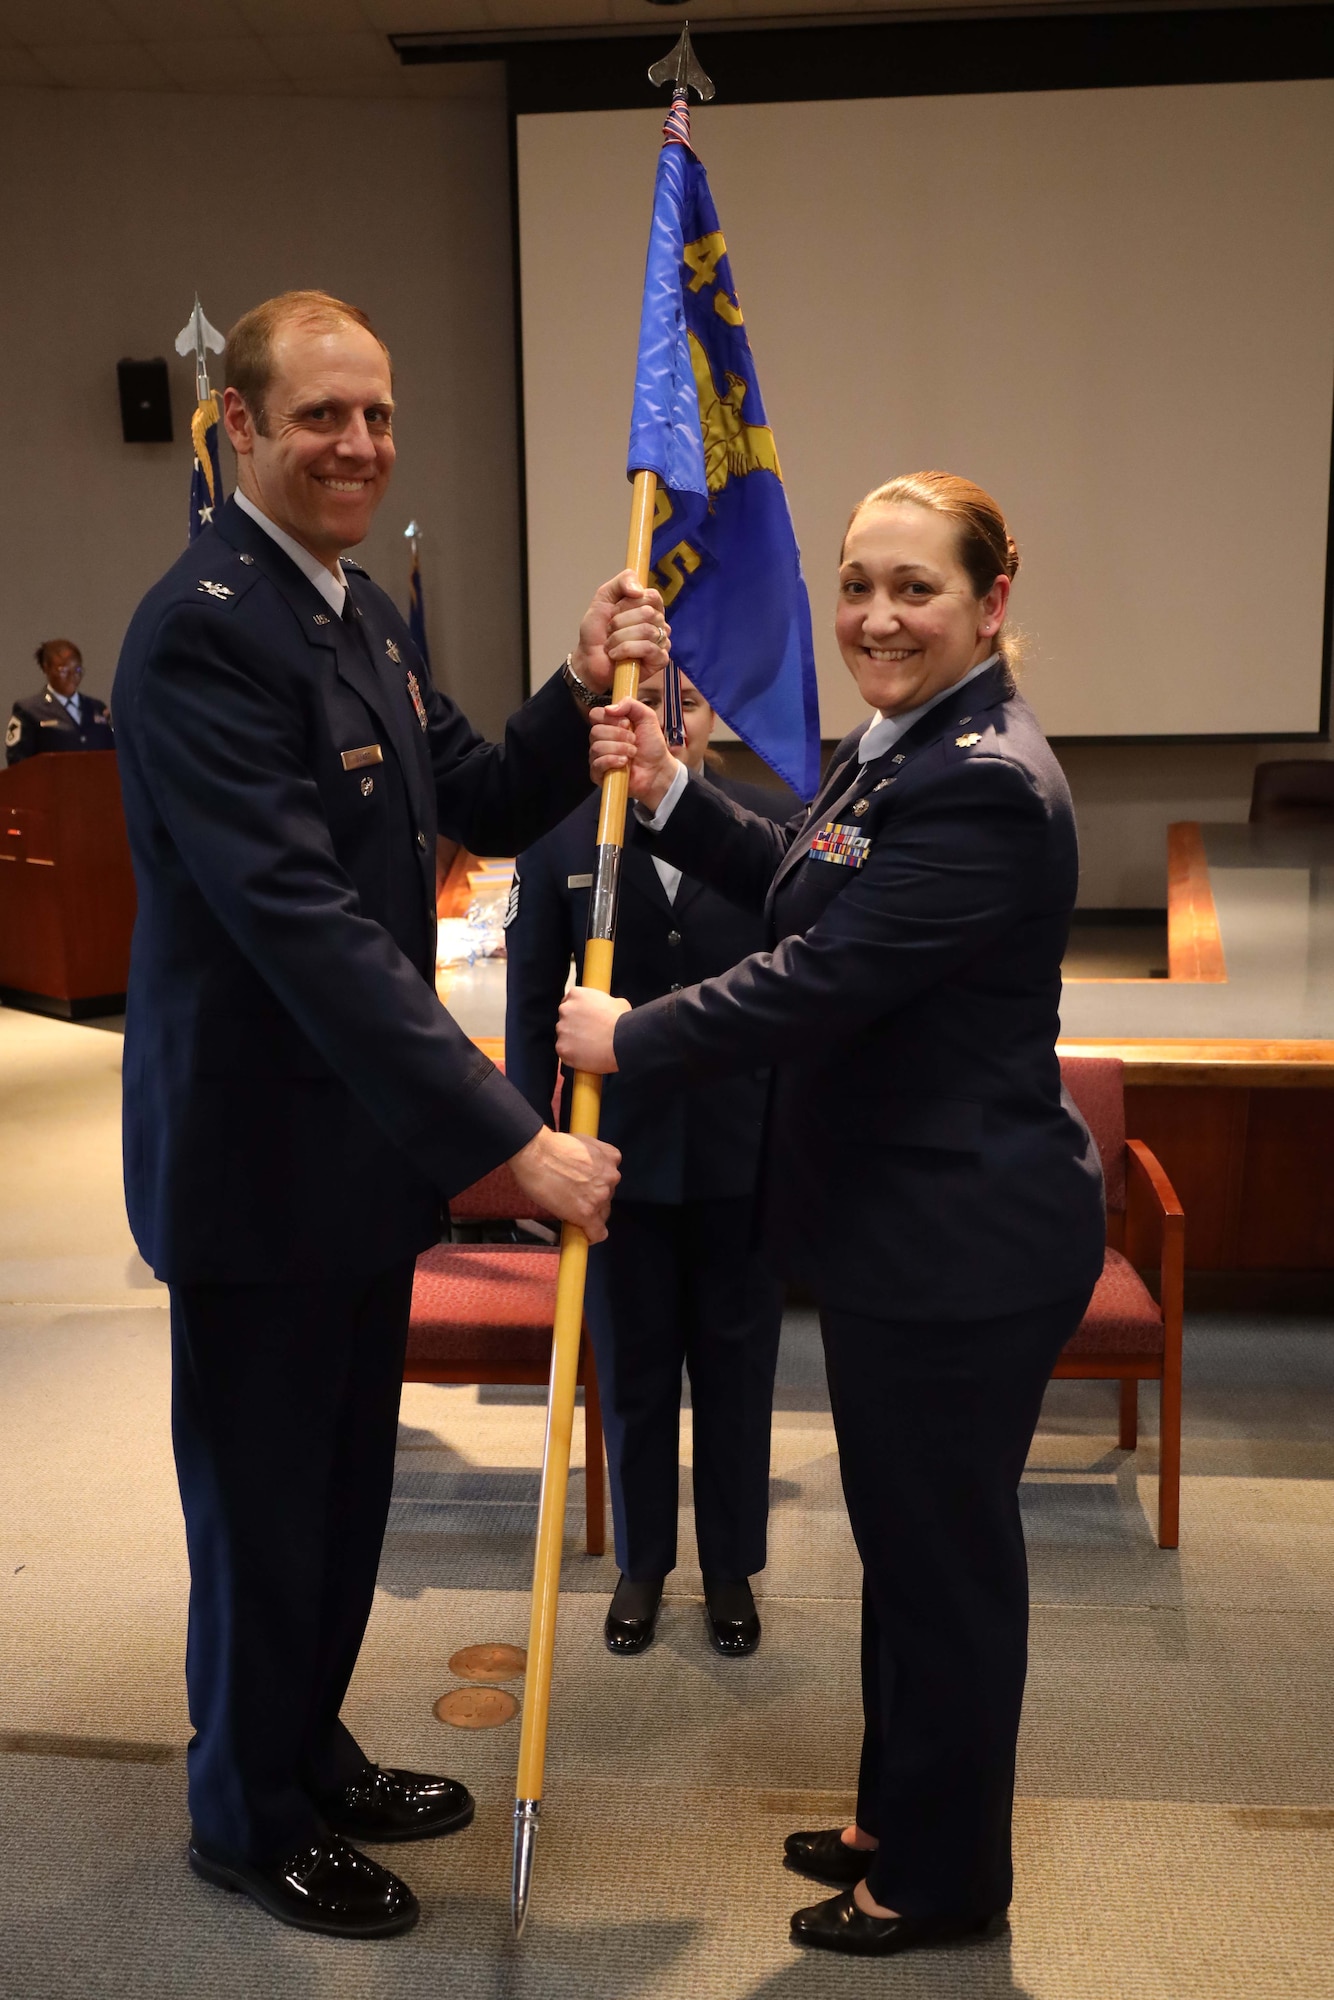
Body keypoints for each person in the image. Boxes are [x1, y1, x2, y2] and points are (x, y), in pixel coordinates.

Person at [111, 289, 669, 1941]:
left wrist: (575, 692)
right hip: (253, 1167)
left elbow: (476, 803)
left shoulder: (352, 616)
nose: (357, 443)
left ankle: (307, 1745)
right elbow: (307, 933)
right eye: (319, 417)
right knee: (265, 1504)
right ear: (237, 430)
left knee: (341, 1496)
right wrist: (507, 1142)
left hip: (344, 1161)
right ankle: (245, 1812)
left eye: (377, 415)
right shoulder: (205, 629)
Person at [558, 472, 1106, 1960]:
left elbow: (819, 981)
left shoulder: (985, 777)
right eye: (857, 582)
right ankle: (895, 1813)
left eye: (913, 588)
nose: (873, 614)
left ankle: (941, 1881)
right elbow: (810, 886)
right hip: (900, 1235)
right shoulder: (903, 749)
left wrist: (635, 1035)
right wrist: (675, 798)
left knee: (942, 1570)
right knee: (906, 1553)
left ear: (990, 601)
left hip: (959, 1245)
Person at [505, 669, 799, 1661]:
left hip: (740, 1148)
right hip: (612, 1156)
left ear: (716, 714)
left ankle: (728, 1565)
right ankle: (640, 1560)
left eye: (694, 696)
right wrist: (526, 1146)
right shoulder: (560, 834)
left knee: (734, 1366)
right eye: (655, 693)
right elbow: (528, 1011)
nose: (673, 712)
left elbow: (801, 998)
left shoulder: (770, 825)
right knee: (629, 1371)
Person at [5, 639, 115, 764]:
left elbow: (112, 753)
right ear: (47, 668)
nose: (72, 676)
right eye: (63, 671)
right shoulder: (29, 710)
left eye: (77, 670)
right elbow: (18, 762)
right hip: (51, 782)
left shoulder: (96, 708)